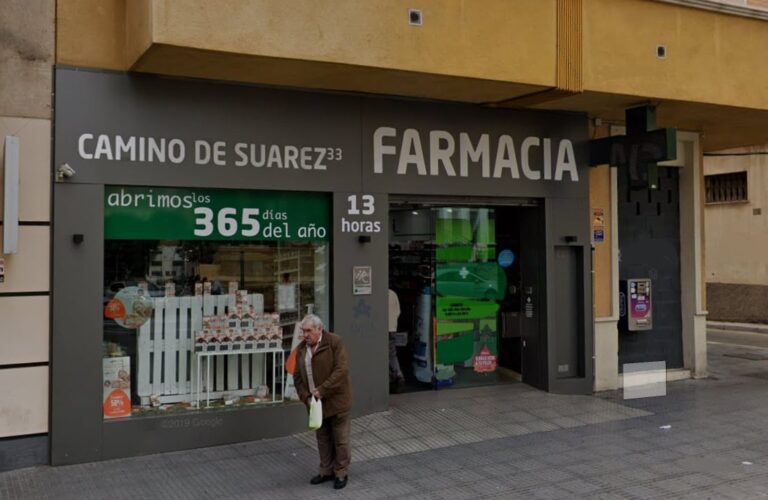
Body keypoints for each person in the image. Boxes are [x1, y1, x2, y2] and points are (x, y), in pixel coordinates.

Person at [294, 314, 353, 490]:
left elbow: (341, 370)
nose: (305, 335)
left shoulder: (334, 342)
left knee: (340, 439)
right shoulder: (301, 349)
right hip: (315, 403)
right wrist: (306, 397)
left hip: (337, 401)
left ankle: (341, 472)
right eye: (303, 331)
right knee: (323, 439)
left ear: (319, 329)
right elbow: (297, 377)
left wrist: (323, 389)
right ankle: (325, 471)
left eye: (309, 331)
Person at [388, 289, 405, 392]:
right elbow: (398, 311)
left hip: (382, 329)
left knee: (384, 355)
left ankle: (393, 378)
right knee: (392, 355)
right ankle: (397, 376)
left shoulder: (378, 294)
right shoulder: (393, 293)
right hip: (392, 328)